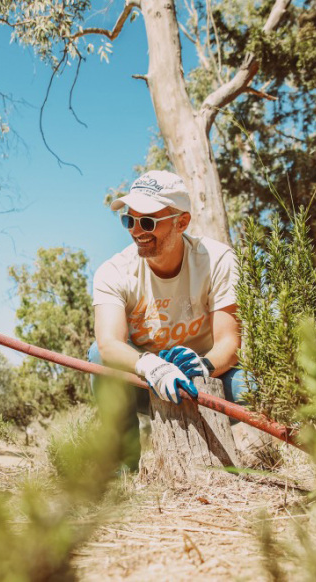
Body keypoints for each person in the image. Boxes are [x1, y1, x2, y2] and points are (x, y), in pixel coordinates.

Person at [89, 170, 247, 468]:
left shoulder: (218, 260)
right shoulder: (113, 271)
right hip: (144, 380)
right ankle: (125, 468)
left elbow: (230, 342)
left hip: (205, 377)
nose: (137, 230)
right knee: (96, 356)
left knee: (252, 386)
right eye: (129, 220)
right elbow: (108, 344)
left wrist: (204, 368)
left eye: (148, 221)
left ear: (182, 222)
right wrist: (150, 365)